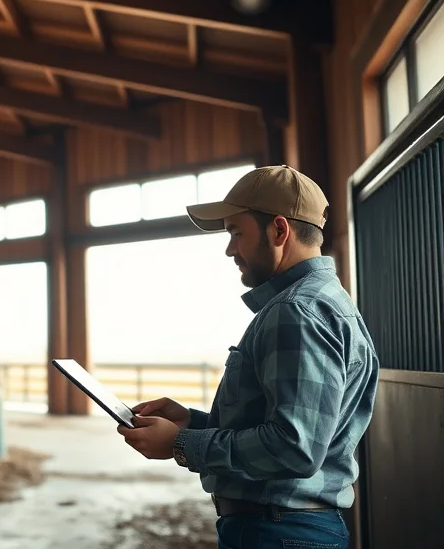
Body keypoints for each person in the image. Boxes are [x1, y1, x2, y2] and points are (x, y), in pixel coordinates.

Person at [115, 165, 379, 549]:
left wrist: (181, 443)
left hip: (276, 531)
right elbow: (292, 426)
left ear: (278, 230)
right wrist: (192, 423)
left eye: (236, 232)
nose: (230, 249)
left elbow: (294, 446)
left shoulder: (295, 312)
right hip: (290, 528)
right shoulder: (327, 302)